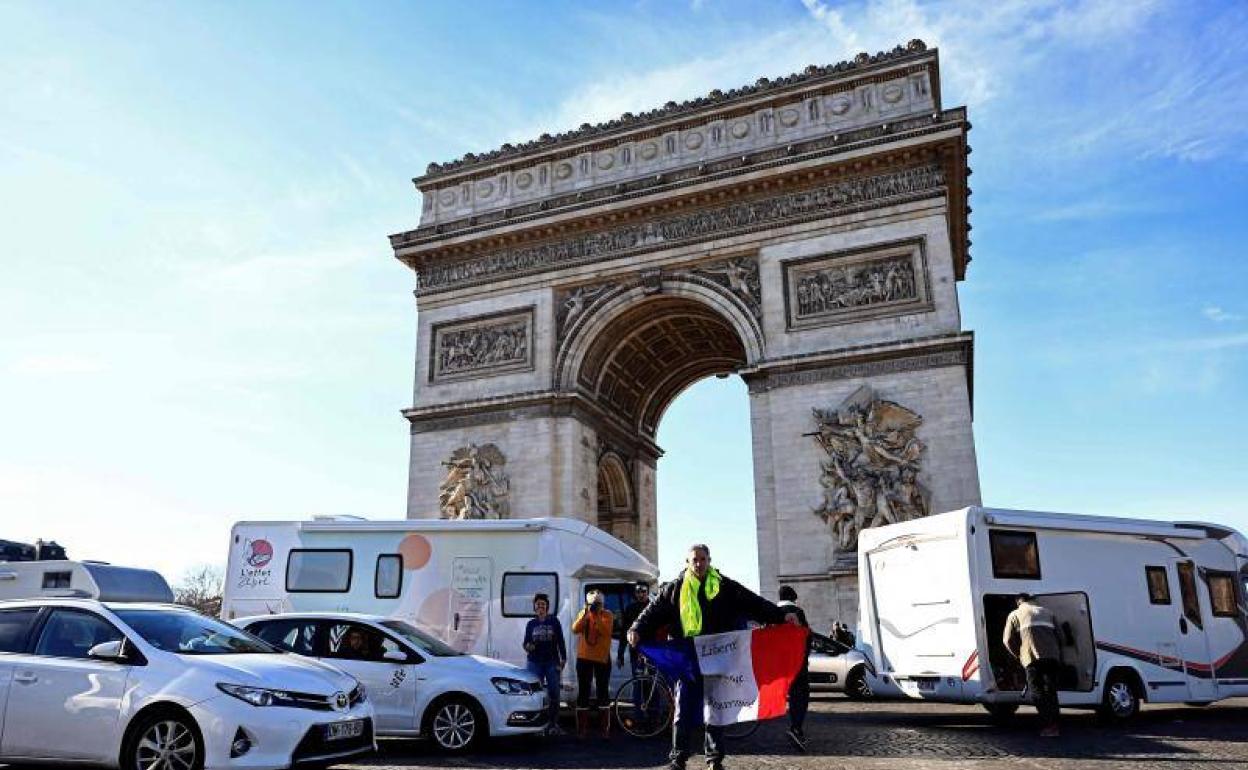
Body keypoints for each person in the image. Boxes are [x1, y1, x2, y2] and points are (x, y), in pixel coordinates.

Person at [628, 544, 799, 770]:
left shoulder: (725, 586)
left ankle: (714, 760)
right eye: (694, 560)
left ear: (709, 560)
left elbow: (753, 602)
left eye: (702, 559)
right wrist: (637, 628)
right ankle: (678, 759)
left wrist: (781, 615)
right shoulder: (674, 588)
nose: (698, 563)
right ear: (687, 563)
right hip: (689, 657)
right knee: (683, 708)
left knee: (715, 709)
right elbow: (653, 611)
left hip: (718, 656)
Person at [1004, 593, 1062, 737]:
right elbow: (1061, 637)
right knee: (1050, 691)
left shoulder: (1015, 614)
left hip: (1031, 658)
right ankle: (1055, 725)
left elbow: (1007, 640)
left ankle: (1047, 725)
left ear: (1019, 602)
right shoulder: (1048, 612)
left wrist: (1017, 654)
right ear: (1031, 600)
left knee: (1037, 692)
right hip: (1052, 657)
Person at [572, 589, 615, 737]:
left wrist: (595, 615)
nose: (596, 606)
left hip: (602, 659)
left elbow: (606, 631)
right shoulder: (584, 613)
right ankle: (582, 730)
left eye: (598, 603)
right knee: (583, 692)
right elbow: (575, 629)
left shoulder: (607, 615)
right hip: (584, 658)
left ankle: (605, 730)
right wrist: (586, 614)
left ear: (602, 603)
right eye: (593, 603)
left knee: (603, 693)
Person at [523, 592, 567, 735]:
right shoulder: (531, 624)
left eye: (543, 604)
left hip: (551, 662)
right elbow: (525, 644)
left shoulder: (554, 621)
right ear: (534, 607)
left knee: (554, 693)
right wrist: (528, 647)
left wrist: (563, 658)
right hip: (534, 663)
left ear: (547, 607)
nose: (540, 606)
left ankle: (554, 724)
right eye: (538, 604)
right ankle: (538, 727)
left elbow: (560, 640)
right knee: (536, 695)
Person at [777, 585, 810, 751]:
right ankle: (796, 727)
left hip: (779, 663)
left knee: (786, 692)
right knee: (800, 694)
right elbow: (806, 635)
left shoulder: (772, 611)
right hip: (797, 661)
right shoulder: (798, 612)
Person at [617, 582, 651, 715]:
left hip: (652, 652)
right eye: (638, 591)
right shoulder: (630, 608)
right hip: (635, 653)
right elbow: (624, 632)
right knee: (637, 684)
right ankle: (638, 715)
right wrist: (620, 654)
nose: (641, 594)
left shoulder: (654, 606)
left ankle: (654, 715)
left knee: (651, 684)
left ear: (648, 592)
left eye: (643, 591)